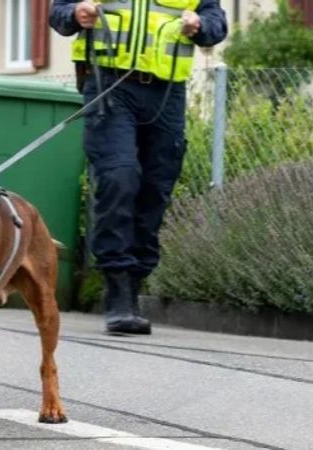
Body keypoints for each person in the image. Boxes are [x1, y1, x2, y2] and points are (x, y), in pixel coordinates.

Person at [50, 1, 227, 334]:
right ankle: (117, 290)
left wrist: (200, 24)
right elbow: (59, 14)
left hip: (166, 93)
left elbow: (217, 24)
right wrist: (75, 13)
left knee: (156, 189)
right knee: (119, 176)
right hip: (108, 84)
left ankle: (135, 281)